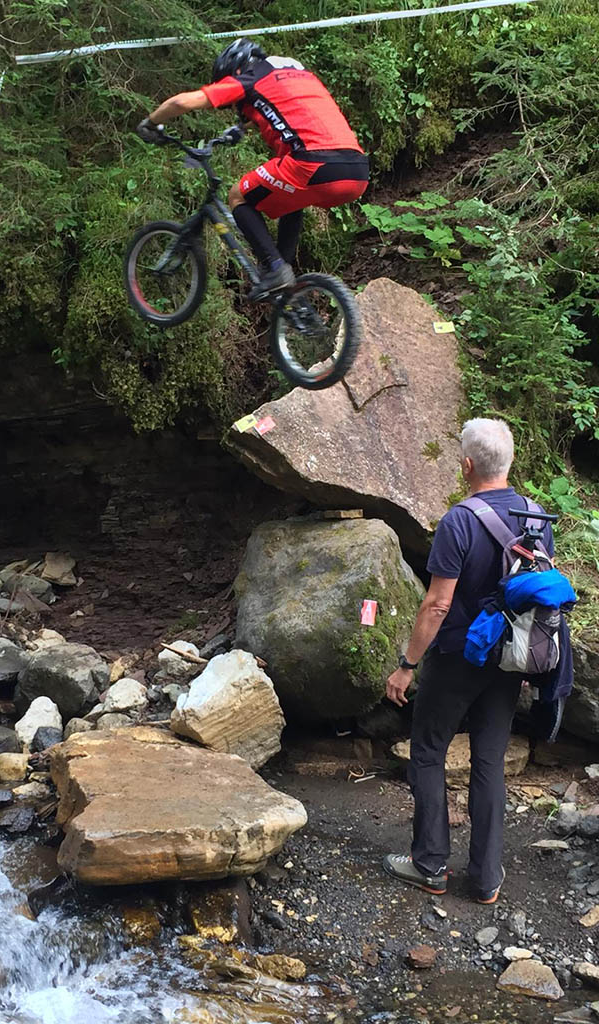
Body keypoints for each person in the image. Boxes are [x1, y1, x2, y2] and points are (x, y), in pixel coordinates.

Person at [382, 418, 555, 905]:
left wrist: (407, 664)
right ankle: (484, 879)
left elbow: (437, 604)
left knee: (430, 752)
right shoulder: (536, 516)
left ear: (466, 465)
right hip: (509, 662)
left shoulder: (460, 520)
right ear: (510, 462)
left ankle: (429, 864)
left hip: (458, 657)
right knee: (489, 762)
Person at [136, 38, 369, 298]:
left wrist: (151, 122)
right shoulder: (300, 77)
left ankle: (276, 267)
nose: (238, 108)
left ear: (236, 70)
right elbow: (284, 108)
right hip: (356, 170)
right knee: (292, 200)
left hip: (313, 162)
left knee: (237, 195)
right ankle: (283, 274)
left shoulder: (249, 77)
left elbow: (182, 103)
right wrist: (239, 128)